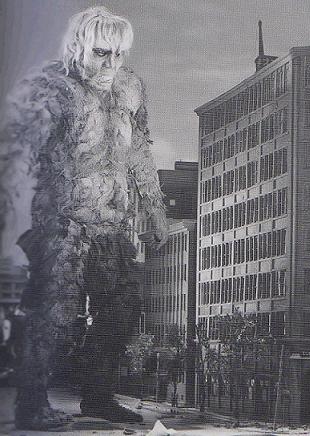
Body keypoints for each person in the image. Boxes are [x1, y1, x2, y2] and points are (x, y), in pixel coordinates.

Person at [0, 7, 168, 430]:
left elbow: (140, 148)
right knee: (53, 311)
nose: (111, 64)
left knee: (123, 307)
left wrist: (155, 208)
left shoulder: (131, 87)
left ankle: (97, 396)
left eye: (120, 54)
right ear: (78, 46)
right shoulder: (51, 87)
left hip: (113, 222)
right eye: (101, 53)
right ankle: (32, 403)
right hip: (61, 220)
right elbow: (15, 148)